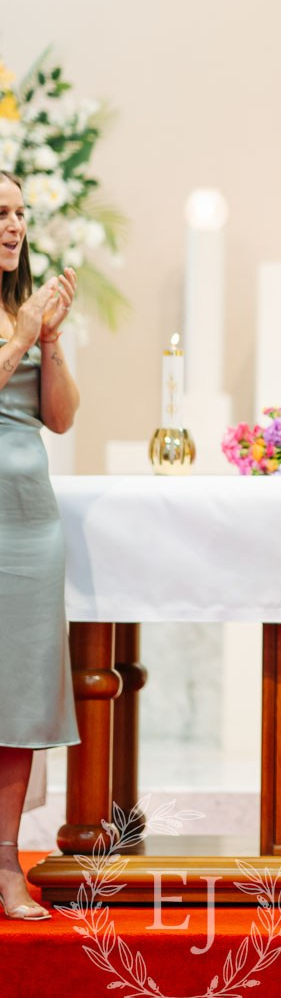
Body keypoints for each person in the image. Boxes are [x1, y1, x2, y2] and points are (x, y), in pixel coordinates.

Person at [0, 171, 80, 921]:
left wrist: (49, 345)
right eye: (0, 211)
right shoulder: (12, 319)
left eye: (20, 212)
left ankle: (6, 867)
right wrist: (22, 334)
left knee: (18, 696)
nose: (14, 224)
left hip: (27, 520)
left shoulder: (19, 308)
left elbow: (58, 418)